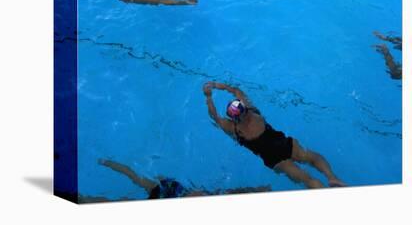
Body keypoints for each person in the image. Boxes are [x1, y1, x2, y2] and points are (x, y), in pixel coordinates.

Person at [203, 82, 346, 189]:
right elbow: (236, 90)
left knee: (306, 179)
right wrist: (217, 85)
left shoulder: (234, 129)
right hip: (282, 142)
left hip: (274, 160)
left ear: (233, 118)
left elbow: (214, 116)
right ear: (244, 108)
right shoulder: (253, 111)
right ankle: (332, 177)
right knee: (311, 157)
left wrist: (208, 96)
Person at [99, 159, 271, 199]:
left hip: (168, 189)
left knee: (134, 177)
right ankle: (107, 162)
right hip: (168, 190)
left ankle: (107, 162)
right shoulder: (212, 194)